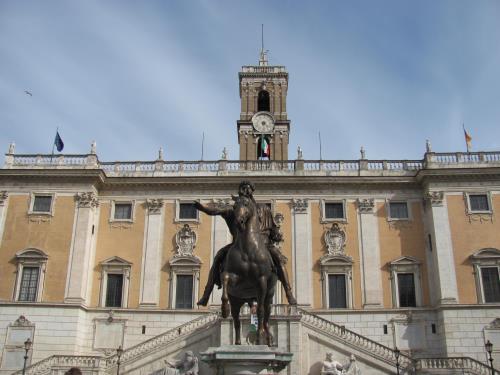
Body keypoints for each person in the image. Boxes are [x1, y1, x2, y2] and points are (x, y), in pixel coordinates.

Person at [195, 181, 296, 306]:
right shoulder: (235, 209)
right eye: (243, 188)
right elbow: (217, 210)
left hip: (264, 244)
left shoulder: (264, 208)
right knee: (218, 258)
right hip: (238, 244)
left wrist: (276, 235)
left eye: (248, 189)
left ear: (252, 192)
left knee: (279, 259)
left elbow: (274, 231)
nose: (245, 191)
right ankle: (206, 294)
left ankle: (289, 293)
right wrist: (204, 209)